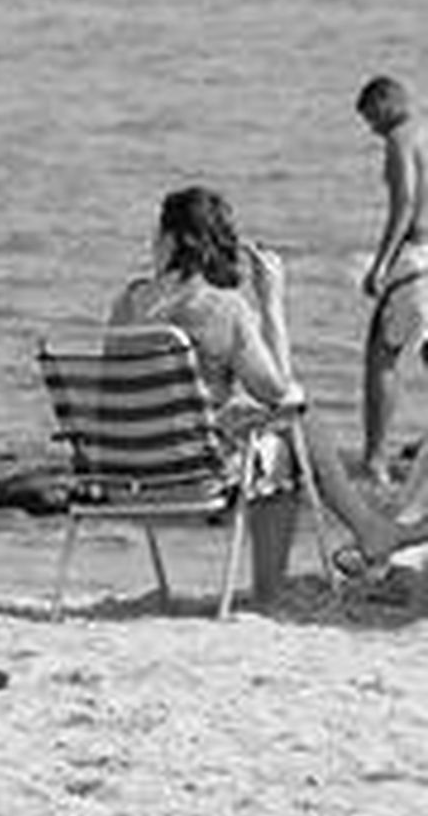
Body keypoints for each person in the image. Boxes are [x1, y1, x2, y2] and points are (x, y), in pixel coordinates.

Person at [109, 185, 428, 593]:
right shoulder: (222, 308)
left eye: (157, 235)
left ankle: (371, 532)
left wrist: (231, 410)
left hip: (126, 473)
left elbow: (128, 392)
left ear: (170, 241)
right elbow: (283, 395)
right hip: (193, 477)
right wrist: (272, 302)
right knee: (297, 432)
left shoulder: (127, 303)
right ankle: (285, 583)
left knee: (282, 431)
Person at [355, 74, 428, 484]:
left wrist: (380, 265)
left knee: (381, 356)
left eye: (371, 118)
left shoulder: (400, 139)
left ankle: (374, 462)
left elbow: (404, 206)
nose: (373, 130)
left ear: (385, 104)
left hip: (416, 258)